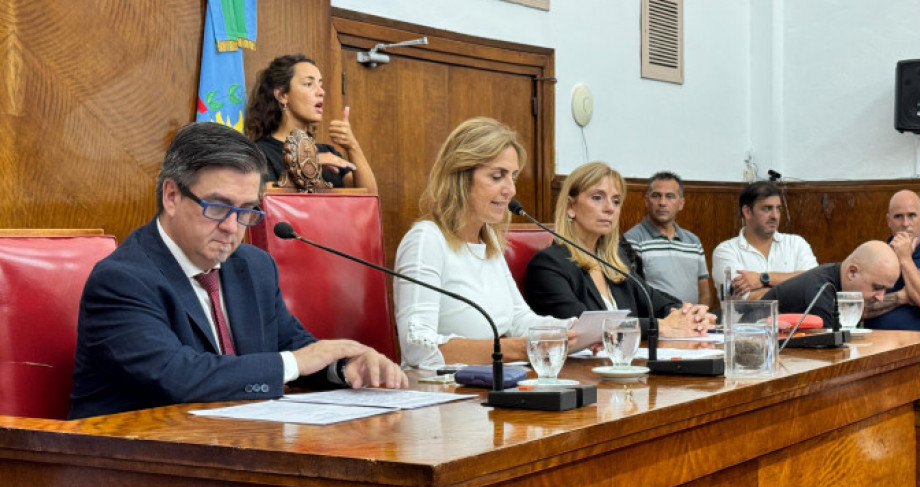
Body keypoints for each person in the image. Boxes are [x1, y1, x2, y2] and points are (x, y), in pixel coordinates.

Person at [70, 122, 405, 419]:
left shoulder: (253, 267)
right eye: (218, 207)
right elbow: (177, 376)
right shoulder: (123, 279)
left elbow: (293, 346)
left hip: (233, 447)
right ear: (171, 196)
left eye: (246, 210)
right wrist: (295, 362)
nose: (233, 227)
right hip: (134, 457)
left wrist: (345, 366)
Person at [393, 117, 574, 369]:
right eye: (497, 176)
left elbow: (519, 319)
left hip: (492, 383)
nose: (510, 189)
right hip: (441, 387)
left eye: (513, 177)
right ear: (460, 177)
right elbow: (417, 346)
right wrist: (513, 349)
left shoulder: (488, 241)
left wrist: (574, 330)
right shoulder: (426, 240)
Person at [524, 161, 714, 337]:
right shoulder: (548, 265)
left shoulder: (616, 262)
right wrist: (660, 326)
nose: (610, 208)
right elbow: (582, 327)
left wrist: (692, 315)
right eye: (597, 198)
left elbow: (657, 302)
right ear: (571, 206)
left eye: (616, 201)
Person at [864, 189, 920, 389]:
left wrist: (905, 258)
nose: (905, 223)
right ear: (889, 221)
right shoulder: (870, 256)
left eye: (912, 215)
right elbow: (858, 310)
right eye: (898, 216)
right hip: (877, 366)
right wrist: (903, 296)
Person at [245, 54, 377, 194]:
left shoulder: (329, 152)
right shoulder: (259, 153)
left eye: (320, 84)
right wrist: (308, 166)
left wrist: (353, 146)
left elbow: (369, 195)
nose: (321, 92)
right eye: (308, 84)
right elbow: (263, 196)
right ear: (282, 95)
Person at [712, 181, 818, 300]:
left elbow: (815, 284)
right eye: (767, 208)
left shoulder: (797, 244)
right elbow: (747, 299)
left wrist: (763, 279)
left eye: (778, 209)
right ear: (747, 212)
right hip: (749, 314)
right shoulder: (726, 251)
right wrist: (796, 287)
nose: (775, 216)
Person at [762, 240, 901, 328]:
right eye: (877, 287)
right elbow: (830, 352)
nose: (881, 298)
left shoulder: (837, 279)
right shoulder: (820, 290)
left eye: (886, 290)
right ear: (852, 272)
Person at [623, 171, 712, 307]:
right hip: (657, 319)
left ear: (681, 203)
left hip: (692, 318)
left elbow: (704, 293)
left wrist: (700, 314)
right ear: (646, 201)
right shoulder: (632, 240)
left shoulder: (693, 241)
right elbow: (633, 294)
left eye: (670, 196)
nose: (662, 202)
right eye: (656, 196)